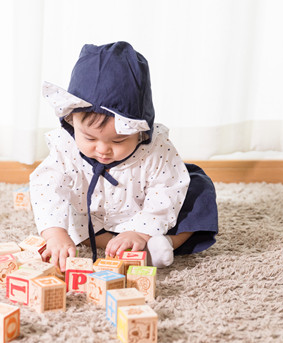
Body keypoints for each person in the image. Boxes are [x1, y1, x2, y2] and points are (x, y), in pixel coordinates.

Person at [30, 41, 218, 270]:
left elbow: (167, 190)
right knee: (66, 215)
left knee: (197, 189)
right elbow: (46, 187)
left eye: (118, 141)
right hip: (94, 217)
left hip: (147, 211)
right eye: (89, 138)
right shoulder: (65, 148)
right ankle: (114, 247)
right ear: (71, 120)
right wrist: (55, 235)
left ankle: (164, 243)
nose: (102, 149)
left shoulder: (156, 149)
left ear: (140, 132)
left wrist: (140, 231)